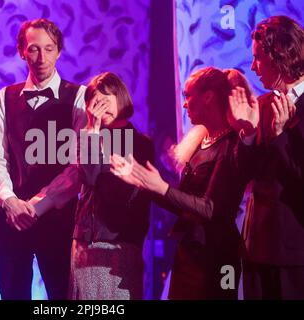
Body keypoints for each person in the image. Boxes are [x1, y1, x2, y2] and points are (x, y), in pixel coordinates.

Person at [111, 67, 251, 299]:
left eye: (188, 95)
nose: (184, 104)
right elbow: (183, 204)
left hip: (219, 257)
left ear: (208, 97)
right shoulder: (201, 144)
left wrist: (161, 187)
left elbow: (209, 209)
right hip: (189, 253)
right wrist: (146, 184)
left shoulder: (230, 145)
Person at [0, 18, 86, 300]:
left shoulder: (78, 97)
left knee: (61, 297)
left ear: (59, 51)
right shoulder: (4, 97)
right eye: (33, 49)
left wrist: (37, 205)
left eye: (49, 48)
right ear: (21, 51)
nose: (41, 57)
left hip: (59, 218)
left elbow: (78, 166)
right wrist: (10, 202)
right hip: (11, 219)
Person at [229, 15, 304, 300]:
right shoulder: (261, 104)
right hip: (256, 248)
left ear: (280, 55)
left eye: (258, 57)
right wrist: (246, 133)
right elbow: (240, 176)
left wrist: (279, 137)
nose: (251, 67)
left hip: (295, 253)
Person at [69, 72, 154, 300]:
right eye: (94, 102)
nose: (100, 108)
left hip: (118, 244)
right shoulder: (88, 136)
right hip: (85, 243)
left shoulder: (139, 143)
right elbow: (88, 176)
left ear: (120, 97)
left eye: (106, 100)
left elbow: (112, 190)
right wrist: (92, 131)